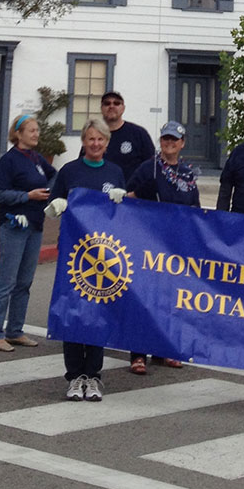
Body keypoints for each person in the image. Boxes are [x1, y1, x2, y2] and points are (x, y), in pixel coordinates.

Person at [44, 119, 126, 401]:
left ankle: (93, 376)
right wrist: (57, 206)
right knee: (72, 311)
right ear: (83, 141)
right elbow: (52, 206)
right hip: (74, 254)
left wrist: (122, 201)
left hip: (103, 255)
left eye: (100, 139)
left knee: (97, 314)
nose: (95, 144)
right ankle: (74, 376)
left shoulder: (115, 172)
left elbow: (123, 217)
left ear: (107, 143)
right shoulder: (69, 171)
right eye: (91, 139)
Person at [125, 120, 198, 372]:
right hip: (149, 242)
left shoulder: (187, 174)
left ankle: (164, 349)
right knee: (145, 298)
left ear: (182, 143)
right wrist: (139, 193)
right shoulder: (149, 168)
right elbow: (126, 198)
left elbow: (194, 208)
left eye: (174, 139)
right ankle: (138, 354)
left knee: (170, 299)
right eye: (165, 138)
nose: (169, 143)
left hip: (176, 245)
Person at [0, 113, 56, 352]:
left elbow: (54, 175)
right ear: (18, 134)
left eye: (37, 130)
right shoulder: (8, 161)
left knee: (25, 282)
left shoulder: (36, 158)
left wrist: (50, 192)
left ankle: (15, 330)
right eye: (32, 130)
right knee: (7, 281)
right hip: (14, 226)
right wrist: (27, 196)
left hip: (36, 225)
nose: (36, 134)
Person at [98, 91, 155, 182]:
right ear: (101, 108)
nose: (111, 106)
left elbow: (152, 166)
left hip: (130, 190)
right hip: (99, 189)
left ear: (123, 108)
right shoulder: (94, 135)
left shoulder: (138, 134)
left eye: (116, 103)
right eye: (107, 103)